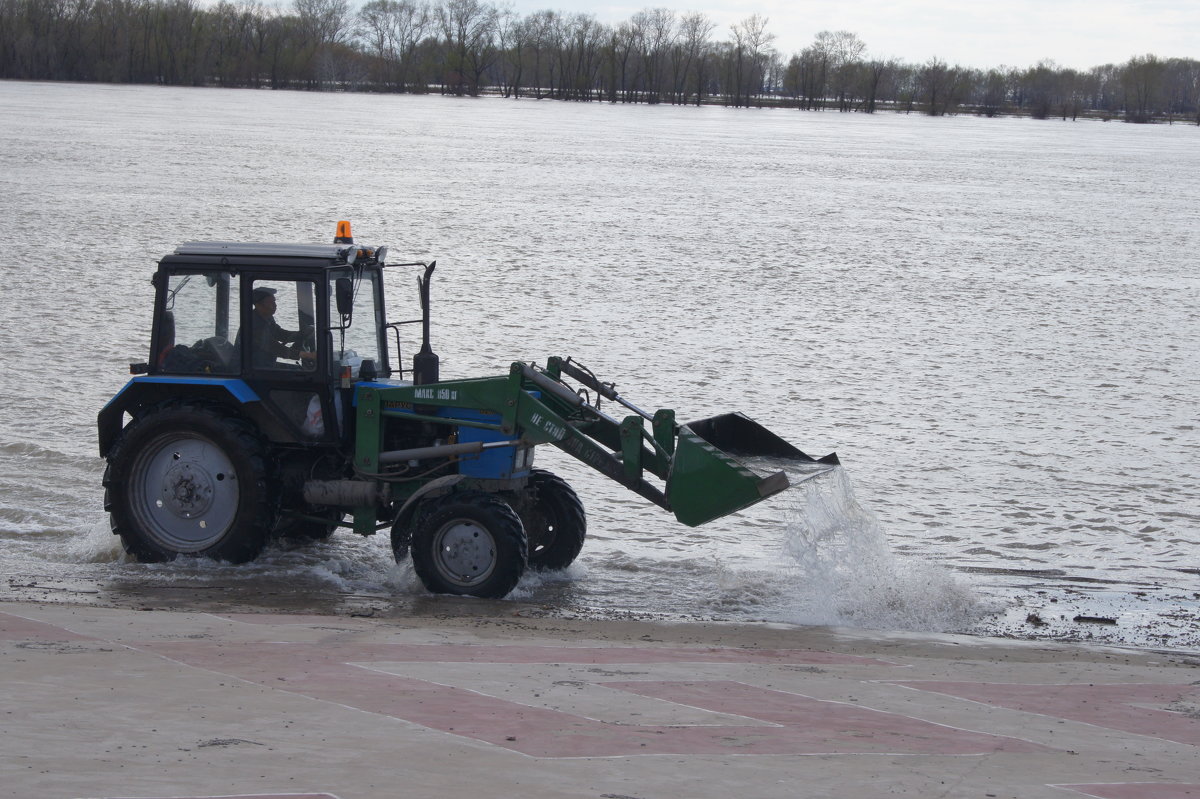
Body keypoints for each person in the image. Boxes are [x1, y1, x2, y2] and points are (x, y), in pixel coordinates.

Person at [250, 287, 315, 368]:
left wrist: (299, 334)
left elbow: (279, 333)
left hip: (263, 364)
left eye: (274, 301)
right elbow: (274, 347)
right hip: (255, 369)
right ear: (258, 305)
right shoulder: (254, 323)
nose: (275, 305)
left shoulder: (266, 317)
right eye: (270, 302)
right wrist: (306, 355)